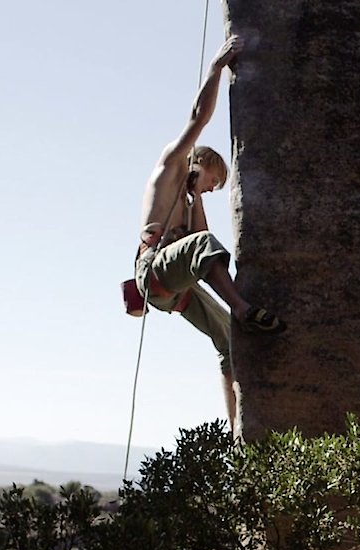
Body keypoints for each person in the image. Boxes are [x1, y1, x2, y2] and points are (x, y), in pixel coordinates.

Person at [134, 34, 285, 431]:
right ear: (201, 163)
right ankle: (242, 307)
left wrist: (196, 196)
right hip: (152, 271)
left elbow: (201, 242)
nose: (211, 190)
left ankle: (236, 431)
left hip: (178, 287)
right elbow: (197, 119)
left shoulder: (189, 198)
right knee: (207, 254)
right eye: (212, 182)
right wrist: (217, 67)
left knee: (229, 341)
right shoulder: (170, 165)